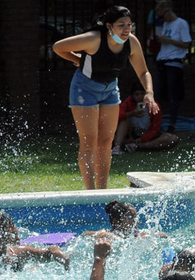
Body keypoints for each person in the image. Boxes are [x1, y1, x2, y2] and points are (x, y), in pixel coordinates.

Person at [53, 5, 157, 189]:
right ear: (109, 26)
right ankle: (90, 191)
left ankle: (102, 190)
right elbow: (58, 47)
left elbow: (143, 71)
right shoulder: (93, 39)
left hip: (110, 91)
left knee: (106, 141)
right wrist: (77, 59)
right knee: (89, 141)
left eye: (129, 25)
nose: (126, 29)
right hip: (84, 90)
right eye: (121, 25)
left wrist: (149, 91)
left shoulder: (131, 42)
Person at [150, 1, 190, 133]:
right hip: (162, 60)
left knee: (173, 95)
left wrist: (169, 41)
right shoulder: (166, 24)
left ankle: (172, 124)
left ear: (168, 11)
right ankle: (156, 124)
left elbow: (186, 43)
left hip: (173, 63)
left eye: (162, 16)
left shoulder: (181, 23)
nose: (162, 20)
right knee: (156, 94)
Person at [113, 85, 179, 154]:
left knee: (172, 138)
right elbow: (117, 116)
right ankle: (117, 147)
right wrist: (132, 113)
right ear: (132, 96)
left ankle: (138, 146)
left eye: (142, 93)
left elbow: (155, 129)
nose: (140, 96)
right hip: (130, 135)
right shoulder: (128, 103)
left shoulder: (154, 105)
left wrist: (140, 140)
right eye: (137, 94)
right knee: (124, 121)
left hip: (147, 137)